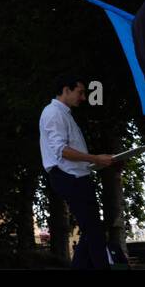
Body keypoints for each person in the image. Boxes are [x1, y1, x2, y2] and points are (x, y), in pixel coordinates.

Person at [40, 76, 118, 269]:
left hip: (76, 176)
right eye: (80, 92)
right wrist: (96, 159)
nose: (83, 97)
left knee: (91, 229)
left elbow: (68, 153)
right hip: (69, 177)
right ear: (66, 89)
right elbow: (61, 150)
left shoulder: (63, 114)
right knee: (94, 230)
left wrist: (101, 163)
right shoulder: (53, 113)